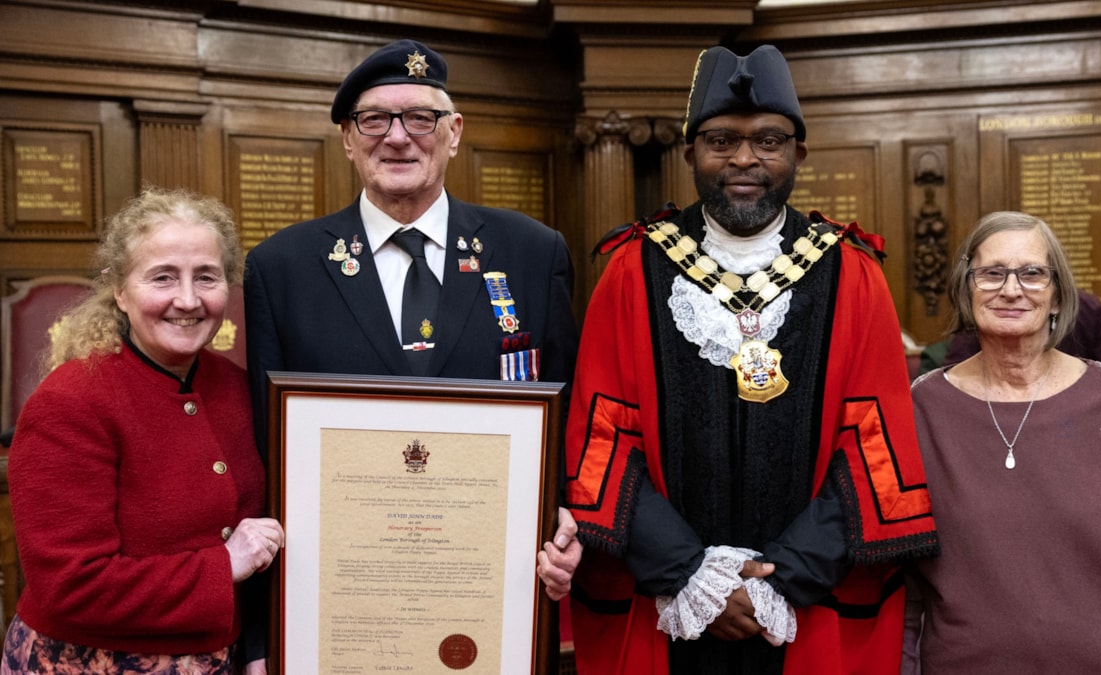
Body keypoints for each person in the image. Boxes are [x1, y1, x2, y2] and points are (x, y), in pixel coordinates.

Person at [560, 45, 939, 675]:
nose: (743, 159)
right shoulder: (632, 270)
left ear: (798, 153)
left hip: (806, 602)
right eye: (720, 140)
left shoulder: (853, 275)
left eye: (768, 140)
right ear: (690, 153)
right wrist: (692, 574)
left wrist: (780, 578)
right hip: (667, 600)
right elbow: (600, 438)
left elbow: (875, 443)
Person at [242, 39, 581, 598]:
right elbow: (265, 450)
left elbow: (566, 417)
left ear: (454, 132)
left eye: (420, 118)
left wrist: (568, 525)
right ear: (349, 140)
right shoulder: (282, 268)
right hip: (340, 589)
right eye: (374, 120)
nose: (397, 137)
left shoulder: (531, 252)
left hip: (496, 581)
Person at [3, 187, 284, 674]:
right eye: (163, 277)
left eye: (207, 277)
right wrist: (224, 564)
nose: (188, 299)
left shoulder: (240, 388)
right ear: (119, 289)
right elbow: (70, 585)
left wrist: (259, 646)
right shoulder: (69, 401)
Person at [905, 211, 1101, 673]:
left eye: (1032, 273)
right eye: (992, 273)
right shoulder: (923, 405)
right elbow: (906, 577)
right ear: (966, 288)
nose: (1011, 288)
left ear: (1058, 293)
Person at [939, 288, 1101, 370]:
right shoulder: (986, 306)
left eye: (1030, 273)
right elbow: (951, 378)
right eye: (996, 273)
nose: (1012, 291)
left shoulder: (1087, 309)